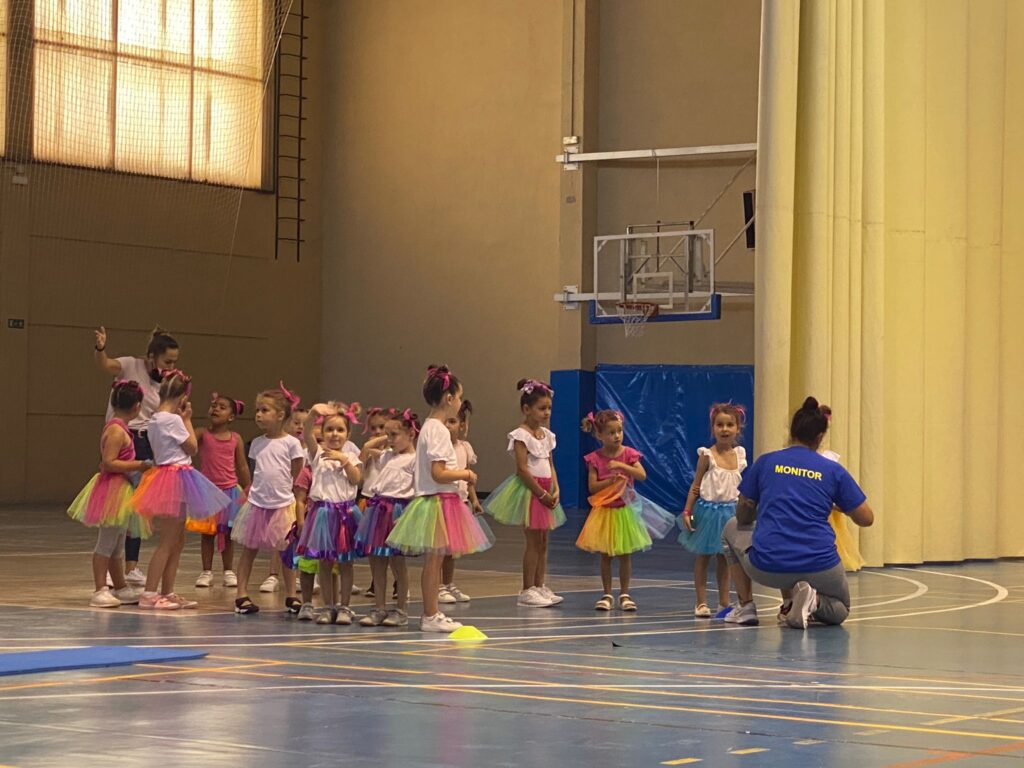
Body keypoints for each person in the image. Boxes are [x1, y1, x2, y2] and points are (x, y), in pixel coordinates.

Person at [722, 397, 874, 628]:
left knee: (731, 526)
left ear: (791, 431)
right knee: (841, 609)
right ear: (820, 437)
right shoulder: (833, 470)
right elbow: (866, 519)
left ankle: (746, 606)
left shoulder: (766, 462)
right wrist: (839, 503)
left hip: (768, 566)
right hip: (820, 565)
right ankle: (814, 602)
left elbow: (743, 517)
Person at [385, 365, 494, 632]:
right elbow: (439, 472)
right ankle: (430, 614)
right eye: (459, 397)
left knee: (436, 559)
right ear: (449, 398)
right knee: (434, 561)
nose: (459, 403)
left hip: (439, 499)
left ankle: (432, 612)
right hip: (437, 500)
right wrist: (466, 474)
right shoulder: (438, 430)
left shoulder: (431, 427)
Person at [132, 371, 230, 609]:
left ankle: (167, 591)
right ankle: (150, 593)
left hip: (169, 476)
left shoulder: (155, 418)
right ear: (183, 397)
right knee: (168, 541)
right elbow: (193, 447)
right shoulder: (172, 420)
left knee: (177, 541)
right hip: (175, 477)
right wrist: (186, 419)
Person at [92, 325, 181, 583]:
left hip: (146, 440)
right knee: (119, 505)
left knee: (139, 509)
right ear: (152, 356)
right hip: (124, 437)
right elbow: (106, 364)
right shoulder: (131, 365)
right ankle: (110, 569)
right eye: (167, 361)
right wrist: (100, 348)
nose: (170, 367)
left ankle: (130, 567)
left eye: (174, 362)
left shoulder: (165, 381)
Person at [67, 380, 152, 607]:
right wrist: (139, 464)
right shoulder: (116, 431)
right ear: (137, 407)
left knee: (116, 544)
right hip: (112, 490)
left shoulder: (121, 428)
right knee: (106, 543)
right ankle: (100, 589)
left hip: (121, 490)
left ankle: (120, 586)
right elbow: (109, 463)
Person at [484, 379, 565, 608]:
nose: (546, 412)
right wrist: (541, 494)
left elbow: (551, 465)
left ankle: (540, 585)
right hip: (531, 491)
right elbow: (522, 469)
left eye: (549, 408)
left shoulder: (547, 435)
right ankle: (527, 589)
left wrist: (556, 489)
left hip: (547, 490)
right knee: (533, 542)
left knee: (543, 542)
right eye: (541, 408)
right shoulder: (520, 435)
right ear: (526, 409)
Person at [576, 410, 665, 612]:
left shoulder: (628, 454)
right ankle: (607, 593)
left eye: (619, 431)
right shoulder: (595, 459)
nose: (617, 436)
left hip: (625, 511)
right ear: (599, 435)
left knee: (625, 554)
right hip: (605, 512)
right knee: (606, 555)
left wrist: (623, 467)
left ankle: (625, 593)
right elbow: (592, 487)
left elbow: (641, 475)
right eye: (611, 432)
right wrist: (611, 481)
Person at [231, 384, 306, 615]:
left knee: (286, 551)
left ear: (280, 415)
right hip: (257, 505)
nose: (258, 415)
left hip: (282, 504)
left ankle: (291, 595)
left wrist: (288, 491)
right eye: (257, 410)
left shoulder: (291, 443)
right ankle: (241, 594)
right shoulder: (256, 443)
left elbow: (297, 470)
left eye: (264, 410)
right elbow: (257, 470)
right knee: (249, 550)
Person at [297, 402, 363, 625]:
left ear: (348, 434)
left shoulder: (352, 457)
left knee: (346, 563)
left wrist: (344, 461)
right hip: (323, 514)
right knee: (324, 562)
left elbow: (356, 479)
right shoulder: (316, 454)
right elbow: (307, 432)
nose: (335, 434)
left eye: (340, 430)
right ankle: (328, 606)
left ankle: (345, 606)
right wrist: (313, 414)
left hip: (345, 514)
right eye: (329, 429)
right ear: (322, 433)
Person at [678, 403, 747, 618]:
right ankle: (701, 602)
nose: (724, 429)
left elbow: (741, 487)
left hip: (731, 514)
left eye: (729, 425)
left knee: (726, 559)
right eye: (719, 425)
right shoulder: (707, 455)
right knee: (704, 556)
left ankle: (724, 603)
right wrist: (687, 511)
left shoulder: (740, 455)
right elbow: (696, 485)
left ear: (738, 428)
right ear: (713, 428)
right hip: (708, 513)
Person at [356, 409, 418, 627]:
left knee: (397, 563)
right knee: (377, 561)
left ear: (411, 434)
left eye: (394, 435)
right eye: (387, 434)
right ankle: (379, 608)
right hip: (378, 509)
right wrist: (388, 436)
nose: (389, 440)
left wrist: (408, 517)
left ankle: (401, 609)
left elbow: (419, 491)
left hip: (398, 511)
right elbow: (366, 448)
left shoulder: (415, 460)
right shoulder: (388, 456)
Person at [192, 393, 250, 589]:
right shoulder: (202, 434)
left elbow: (242, 465)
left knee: (227, 532)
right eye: (214, 405)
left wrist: (248, 488)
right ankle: (206, 571)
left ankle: (228, 571)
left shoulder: (235, 438)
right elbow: (187, 440)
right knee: (207, 534)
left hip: (230, 492)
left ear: (231, 417)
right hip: (208, 491)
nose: (216, 409)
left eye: (222, 407)